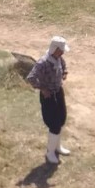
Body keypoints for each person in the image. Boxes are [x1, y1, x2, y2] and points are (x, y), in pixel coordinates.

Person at [27, 36, 72, 164]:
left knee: (61, 119)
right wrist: (42, 89)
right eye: (61, 50)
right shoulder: (43, 63)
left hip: (58, 92)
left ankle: (57, 147)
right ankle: (50, 152)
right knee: (54, 123)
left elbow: (63, 65)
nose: (63, 52)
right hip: (49, 96)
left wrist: (65, 73)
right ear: (55, 49)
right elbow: (31, 78)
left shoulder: (58, 58)